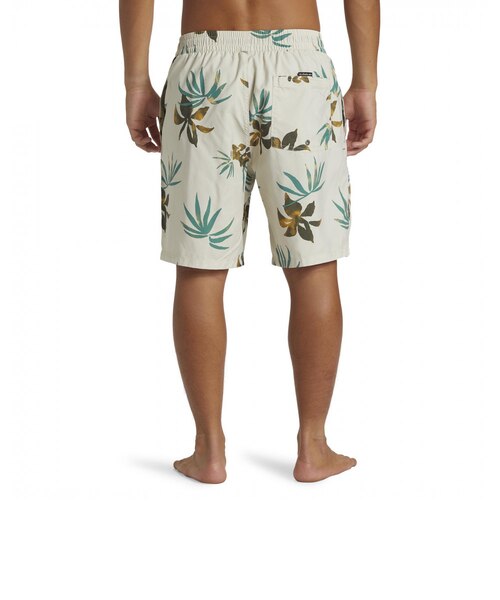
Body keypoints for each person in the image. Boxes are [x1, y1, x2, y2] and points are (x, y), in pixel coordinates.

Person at [119, 0, 379, 484]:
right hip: (299, 68)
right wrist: (365, 81)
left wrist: (136, 80)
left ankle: (208, 450)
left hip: (203, 66)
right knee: (313, 264)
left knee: (199, 265)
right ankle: (313, 445)